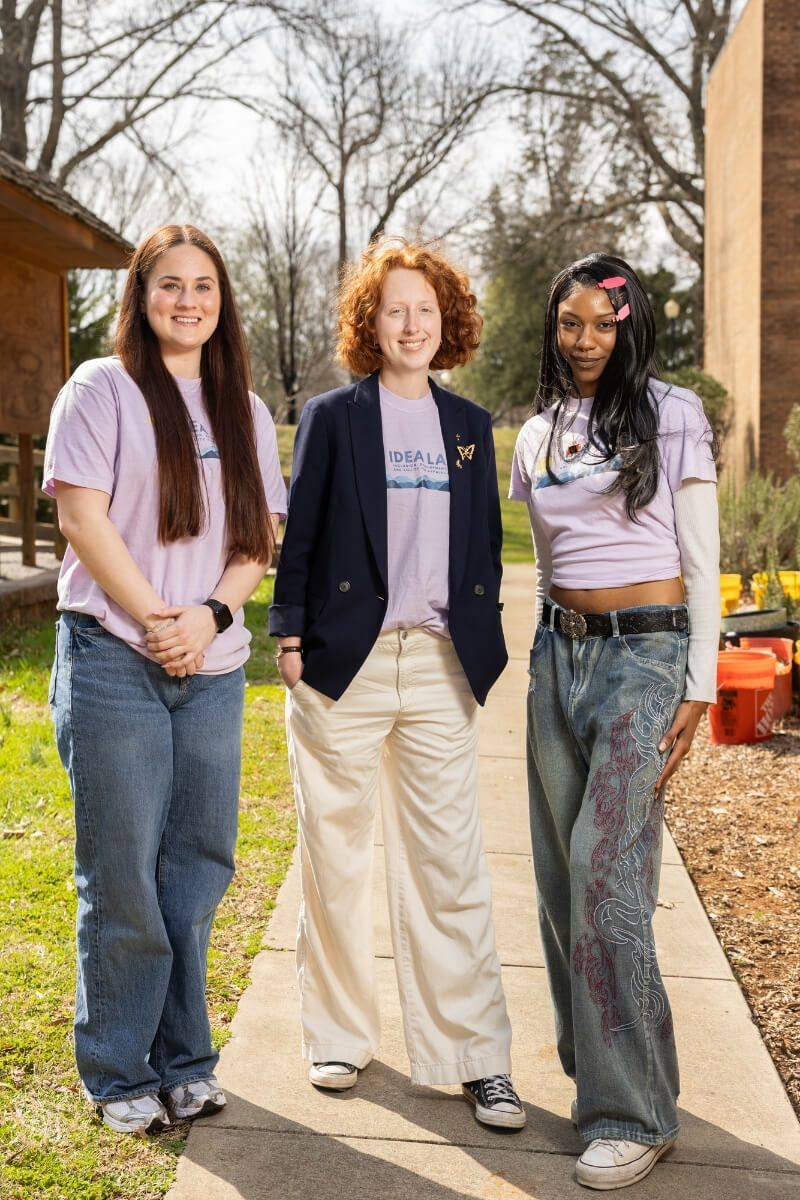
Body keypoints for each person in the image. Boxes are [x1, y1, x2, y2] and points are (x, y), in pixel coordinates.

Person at [269, 238, 525, 1130]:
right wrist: (289, 636)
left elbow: (483, 545)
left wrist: (478, 645)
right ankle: (337, 1036)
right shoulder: (336, 418)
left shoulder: (468, 426)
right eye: (393, 310)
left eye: (424, 309)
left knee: (449, 864)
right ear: (369, 325)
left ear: (444, 320)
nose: (410, 324)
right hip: (346, 662)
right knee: (334, 856)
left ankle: (476, 1058)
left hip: (440, 662)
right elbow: (300, 535)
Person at [44, 224, 287, 1135]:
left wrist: (210, 619)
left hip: (212, 667)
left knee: (196, 870)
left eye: (205, 287)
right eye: (170, 285)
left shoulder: (247, 411)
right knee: (123, 874)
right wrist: (156, 618)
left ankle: (186, 1060)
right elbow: (81, 517)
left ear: (223, 304)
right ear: (141, 298)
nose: (189, 300)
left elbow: (255, 538)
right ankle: (116, 1070)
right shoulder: (101, 390)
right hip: (115, 658)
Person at [509, 253, 719, 1189]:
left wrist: (700, 682)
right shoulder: (538, 434)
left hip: (645, 657)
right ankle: (608, 1073)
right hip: (559, 656)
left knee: (607, 869)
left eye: (604, 323)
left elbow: (703, 560)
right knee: (561, 881)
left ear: (630, 325)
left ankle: (632, 1113)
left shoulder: (672, 411)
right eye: (570, 323)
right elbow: (543, 559)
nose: (586, 340)